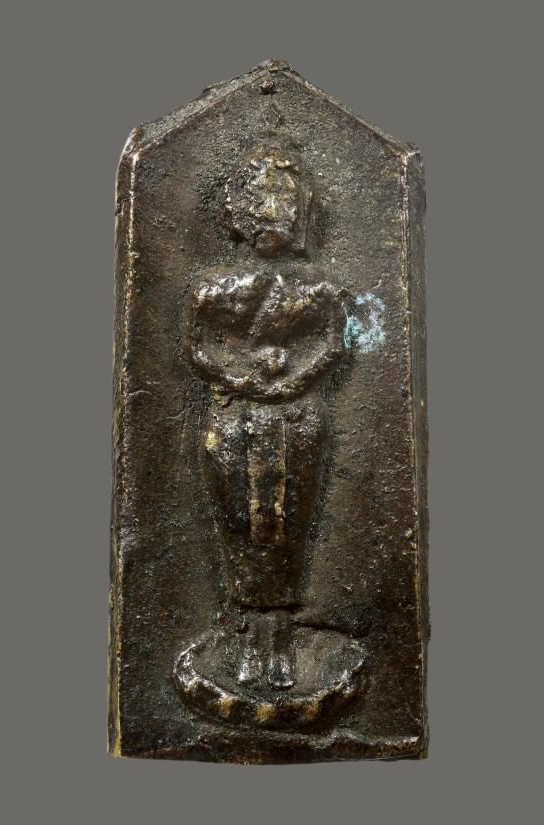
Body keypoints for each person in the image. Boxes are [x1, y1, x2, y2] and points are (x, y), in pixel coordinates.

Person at [183, 142, 347, 690]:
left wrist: (292, 380)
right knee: (241, 525)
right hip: (235, 417)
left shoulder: (319, 289)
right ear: (240, 213)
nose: (274, 213)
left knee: (288, 527)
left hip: (298, 418)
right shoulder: (213, 289)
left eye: (285, 200)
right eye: (262, 201)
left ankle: (279, 636)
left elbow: (332, 347)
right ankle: (247, 634)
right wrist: (241, 379)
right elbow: (198, 350)